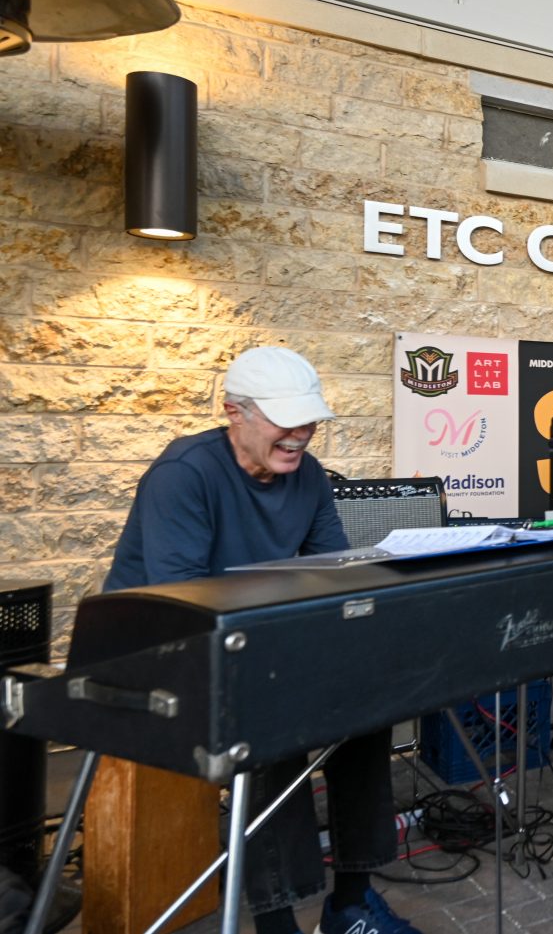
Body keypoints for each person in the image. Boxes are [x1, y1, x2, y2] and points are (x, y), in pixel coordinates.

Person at [104, 347, 419, 934]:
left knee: (372, 709)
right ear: (234, 414)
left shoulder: (311, 476)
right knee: (270, 727)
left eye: (308, 420)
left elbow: (333, 568)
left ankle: (349, 903)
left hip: (257, 642)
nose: (300, 433)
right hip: (161, 656)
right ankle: (278, 919)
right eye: (285, 419)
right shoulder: (184, 474)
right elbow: (184, 605)